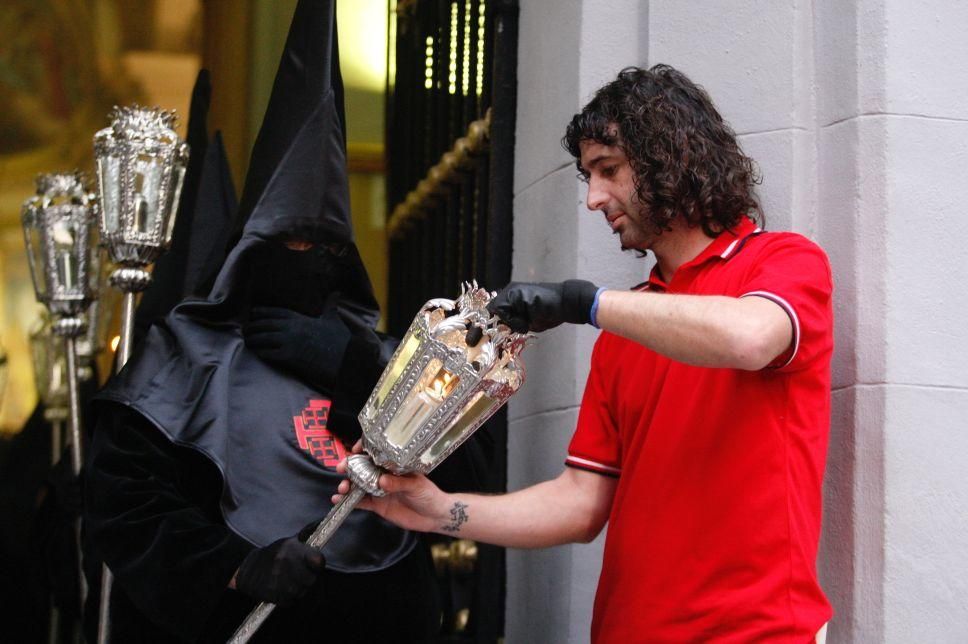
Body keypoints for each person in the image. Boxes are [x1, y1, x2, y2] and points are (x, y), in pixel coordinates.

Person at [337, 65, 835, 643]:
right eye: (588, 176)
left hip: (755, 633)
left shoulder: (783, 261)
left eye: (609, 170)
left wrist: (583, 302)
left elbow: (750, 338)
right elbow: (580, 504)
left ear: (669, 157)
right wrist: (440, 511)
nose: (595, 198)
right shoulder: (625, 329)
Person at [82, 2, 486, 641]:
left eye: (329, 250)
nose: (314, 263)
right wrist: (238, 567)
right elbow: (124, 505)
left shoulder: (385, 358)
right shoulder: (184, 358)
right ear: (253, 249)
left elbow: (470, 481)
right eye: (294, 246)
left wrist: (353, 370)